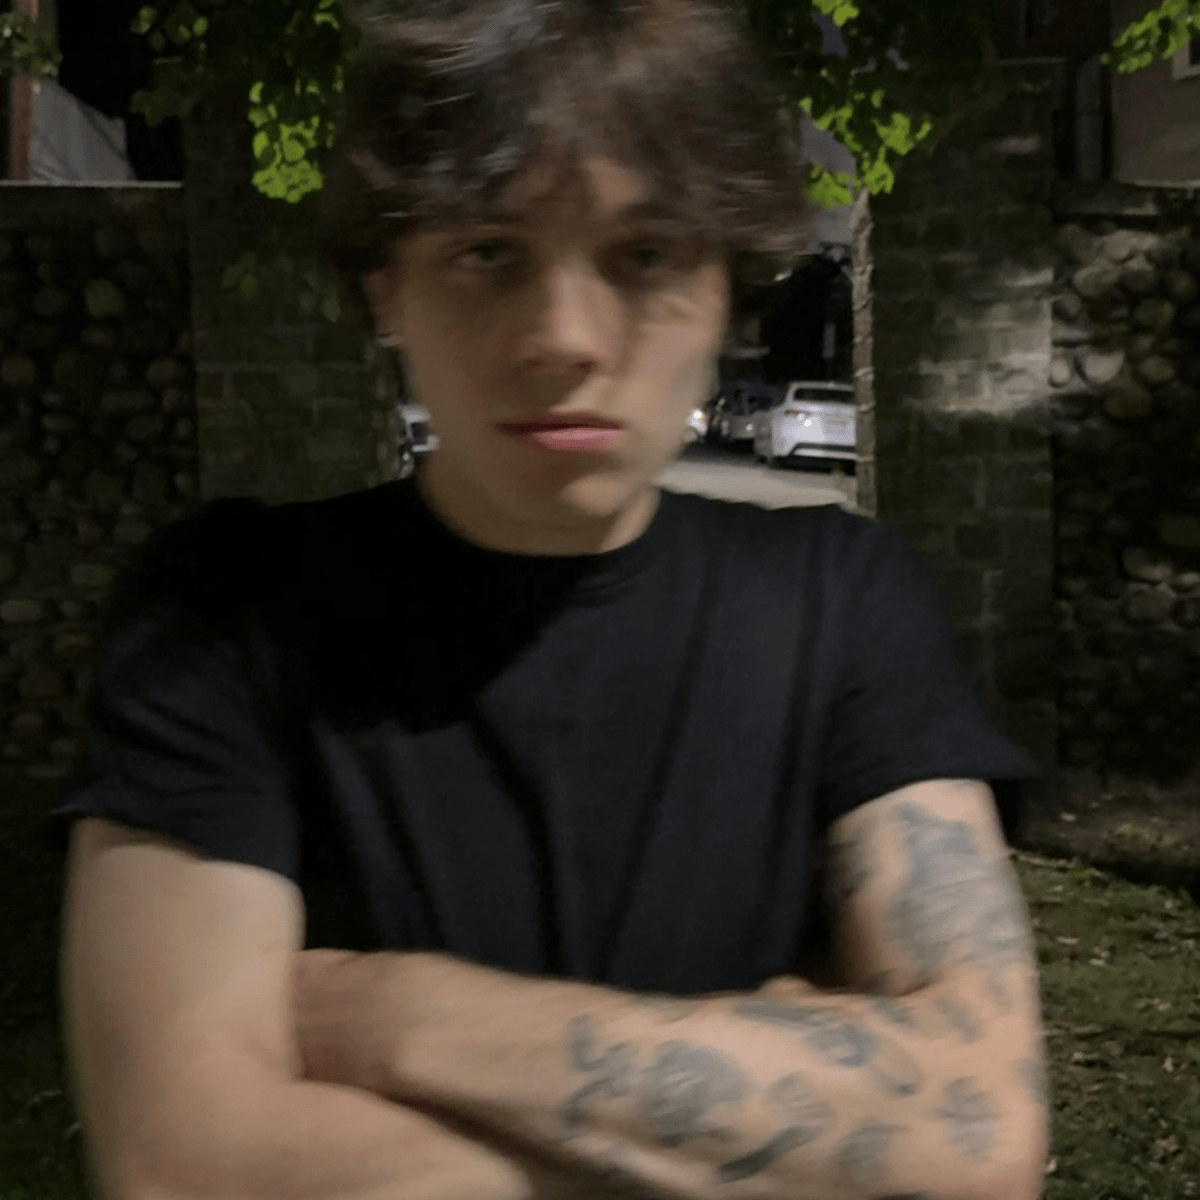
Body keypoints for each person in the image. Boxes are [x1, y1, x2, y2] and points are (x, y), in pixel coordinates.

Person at [54, 3, 1051, 1200]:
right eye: (488, 251)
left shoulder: (844, 601)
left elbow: (978, 1133)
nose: (564, 338)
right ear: (386, 286)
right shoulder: (226, 614)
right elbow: (186, 1167)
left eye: (644, 255)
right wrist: (769, 1118)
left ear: (727, 288)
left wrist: (416, 1022)